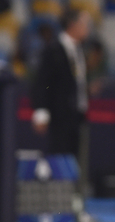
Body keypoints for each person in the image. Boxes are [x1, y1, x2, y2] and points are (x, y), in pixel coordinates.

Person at [31, 9, 91, 157]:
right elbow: (42, 81)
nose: (88, 28)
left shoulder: (79, 50)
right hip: (59, 114)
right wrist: (41, 111)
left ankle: (70, 181)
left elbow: (74, 80)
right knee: (59, 154)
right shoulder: (54, 49)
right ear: (73, 25)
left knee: (74, 156)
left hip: (76, 114)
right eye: (85, 24)